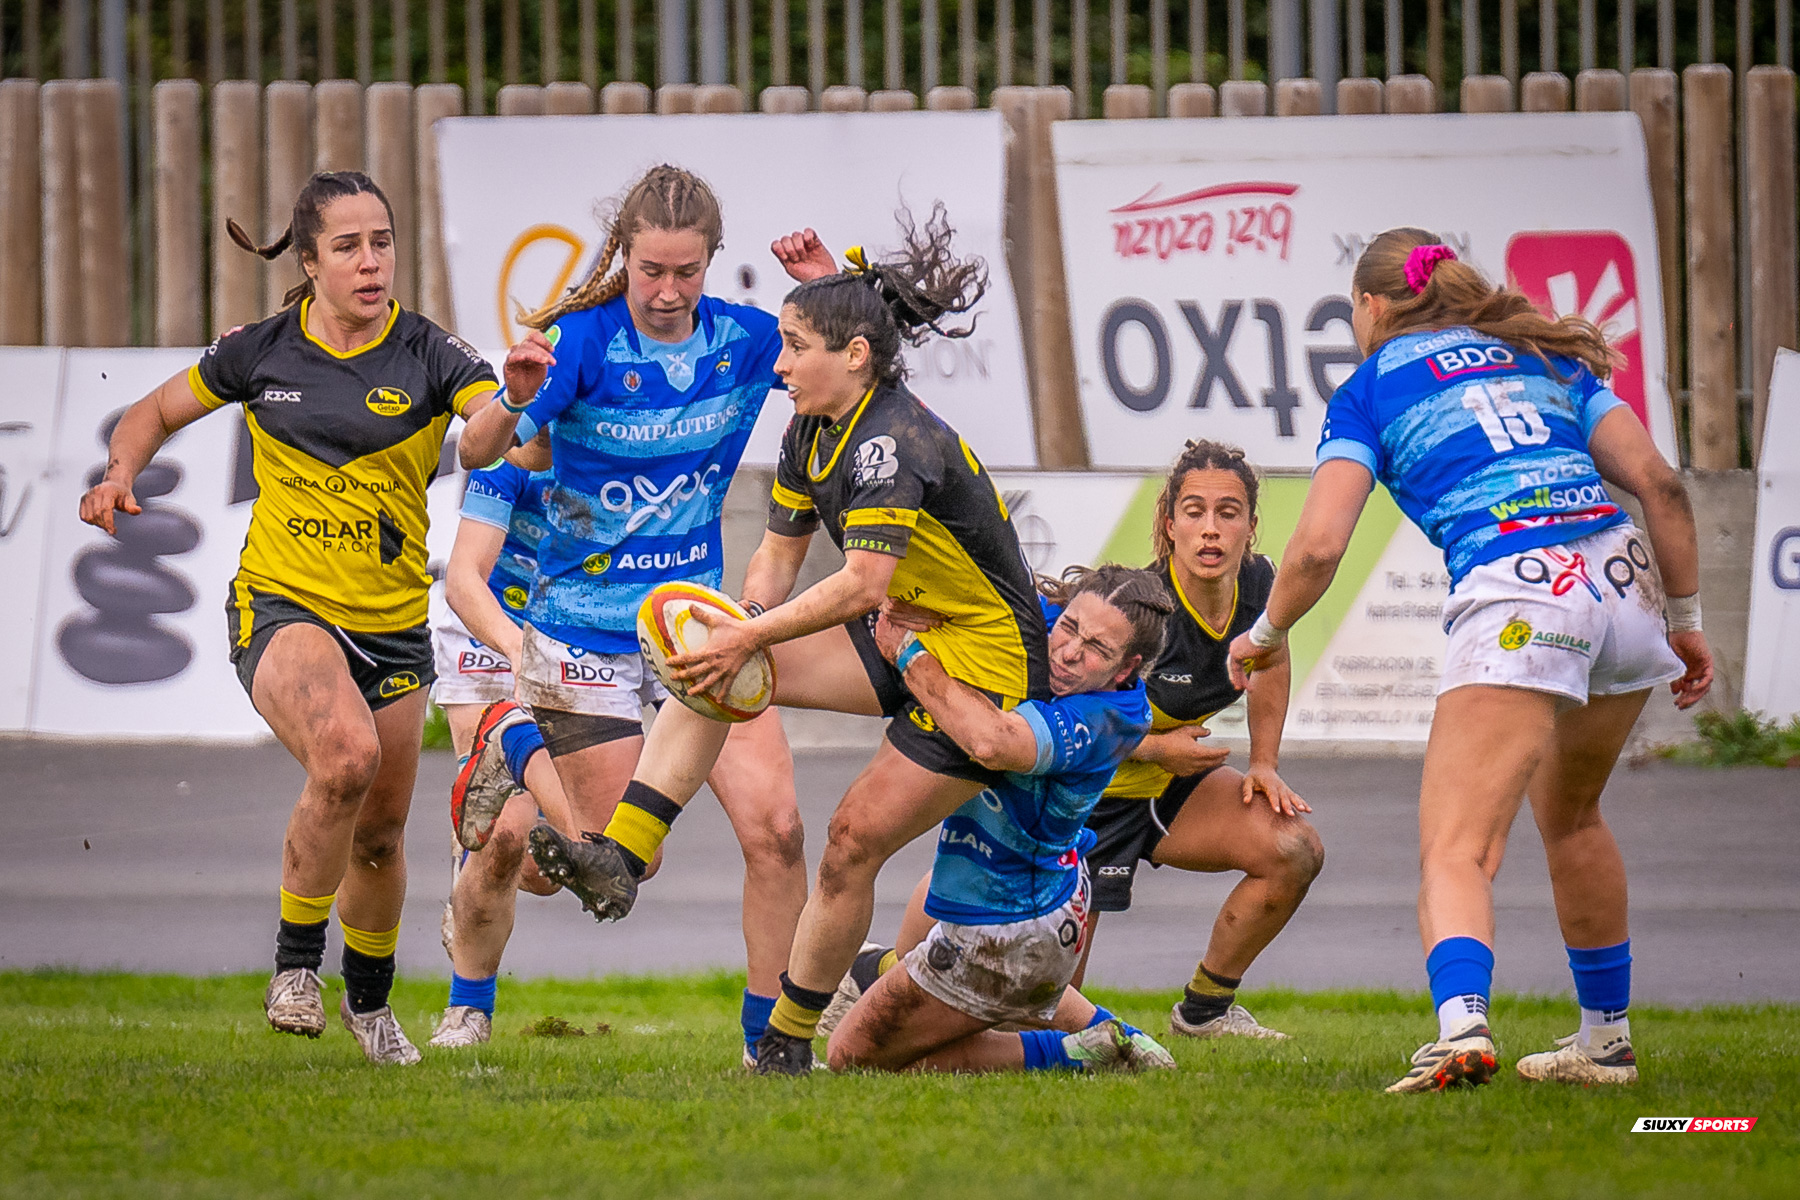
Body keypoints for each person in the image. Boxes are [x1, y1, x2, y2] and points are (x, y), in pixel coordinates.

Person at [516, 207, 1055, 1076]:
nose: (780, 362)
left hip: (986, 665)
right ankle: (620, 855)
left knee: (847, 843)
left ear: (854, 357)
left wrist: (748, 633)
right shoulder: (812, 427)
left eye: (795, 345)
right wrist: (736, 629)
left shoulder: (891, 442)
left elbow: (860, 585)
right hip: (906, 632)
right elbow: (777, 556)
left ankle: (784, 1044)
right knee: (716, 669)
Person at [1228, 230, 1714, 1093]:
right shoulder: (1539, 349)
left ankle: (1462, 1033)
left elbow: (1316, 548)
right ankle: (1606, 1044)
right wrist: (1686, 619)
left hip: (1523, 591)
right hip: (1624, 579)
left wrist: (1263, 634)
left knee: (1456, 847)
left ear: (1372, 307)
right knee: (1572, 816)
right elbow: (1661, 484)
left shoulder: (1371, 386)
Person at [77, 171, 502, 1065]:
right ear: (308, 263)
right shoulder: (261, 350)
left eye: (382, 241)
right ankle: (294, 968)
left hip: (390, 624)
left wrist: (521, 397)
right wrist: (120, 472)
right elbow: (155, 409)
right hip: (283, 604)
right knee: (345, 757)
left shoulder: (433, 354)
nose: (371, 261)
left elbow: (488, 438)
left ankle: (369, 1000)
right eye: (347, 246)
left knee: (381, 839)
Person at [447, 165, 812, 1066]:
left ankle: (773, 1046)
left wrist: (823, 293)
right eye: (650, 270)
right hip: (582, 636)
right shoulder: (579, 341)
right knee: (613, 869)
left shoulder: (746, 342)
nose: (666, 291)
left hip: (696, 631)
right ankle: (514, 748)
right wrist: (517, 392)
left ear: (711, 265)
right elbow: (478, 448)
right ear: (625, 257)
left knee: (778, 829)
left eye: (687, 273)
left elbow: (855, 356)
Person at [825, 567, 1178, 1074]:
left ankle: (1071, 1054)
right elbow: (978, 598)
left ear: (1128, 668)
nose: (1070, 651)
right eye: (1071, 626)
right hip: (1045, 897)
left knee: (851, 1057)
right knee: (930, 905)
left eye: (1098, 648)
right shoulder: (1051, 630)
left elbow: (991, 743)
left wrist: (908, 652)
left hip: (1008, 931)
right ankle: (1118, 1034)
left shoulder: (1109, 716)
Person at [1073, 440, 1322, 1040]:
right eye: (1194, 511)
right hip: (1084, 796)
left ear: (1250, 527)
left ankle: (1204, 1011)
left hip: (1169, 789)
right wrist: (1158, 750)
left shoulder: (1262, 585)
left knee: (1295, 849)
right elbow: (1069, 720)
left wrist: (1263, 761)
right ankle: (873, 976)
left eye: (1227, 513)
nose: (1210, 530)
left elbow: (1271, 653)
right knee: (1040, 1005)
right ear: (1170, 524)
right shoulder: (1141, 607)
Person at [426, 458, 593, 1046]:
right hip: (488, 624)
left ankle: (465, 859)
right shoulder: (509, 449)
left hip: (578, 629)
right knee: (500, 835)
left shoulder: (611, 432)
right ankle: (468, 1008)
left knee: (550, 870)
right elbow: (465, 576)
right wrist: (517, 650)